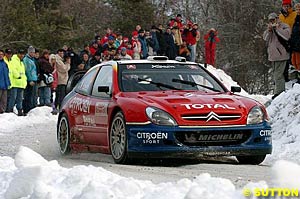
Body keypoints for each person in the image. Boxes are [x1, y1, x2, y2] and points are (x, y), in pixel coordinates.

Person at [263, 12, 291, 99]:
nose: (272, 21)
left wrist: (277, 28)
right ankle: (278, 92)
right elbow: (265, 38)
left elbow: (286, 36)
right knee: (276, 75)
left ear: (277, 19)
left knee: (278, 75)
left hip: (282, 55)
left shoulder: (284, 26)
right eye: (270, 20)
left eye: (273, 19)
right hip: (273, 56)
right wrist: (269, 30)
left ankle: (279, 93)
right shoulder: (270, 29)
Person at [279, 0, 297, 82]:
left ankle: (295, 78)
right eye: (285, 6)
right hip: (282, 41)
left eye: (288, 6)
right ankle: (284, 78)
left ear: (290, 6)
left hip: (292, 40)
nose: (286, 7)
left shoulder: (295, 15)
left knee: (293, 60)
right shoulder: (280, 17)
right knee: (283, 60)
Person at [7, 49, 27, 116]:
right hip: (15, 83)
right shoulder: (14, 60)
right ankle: (10, 110)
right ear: (17, 54)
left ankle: (20, 110)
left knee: (20, 98)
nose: (22, 55)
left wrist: (24, 80)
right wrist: (17, 76)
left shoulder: (21, 62)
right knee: (13, 98)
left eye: (23, 54)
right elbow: (13, 69)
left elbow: (23, 72)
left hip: (21, 83)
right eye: (20, 54)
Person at [23, 46, 38, 115]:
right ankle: (27, 109)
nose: (33, 54)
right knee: (28, 95)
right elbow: (27, 71)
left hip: (34, 78)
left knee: (33, 95)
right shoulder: (26, 60)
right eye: (31, 52)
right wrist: (29, 80)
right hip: (30, 79)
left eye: (33, 52)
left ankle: (32, 108)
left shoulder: (32, 59)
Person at [290, 3, 300, 73]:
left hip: (299, 44)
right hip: (294, 44)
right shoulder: (294, 18)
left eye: (299, 9)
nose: (298, 10)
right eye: (297, 9)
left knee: (299, 62)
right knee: (294, 62)